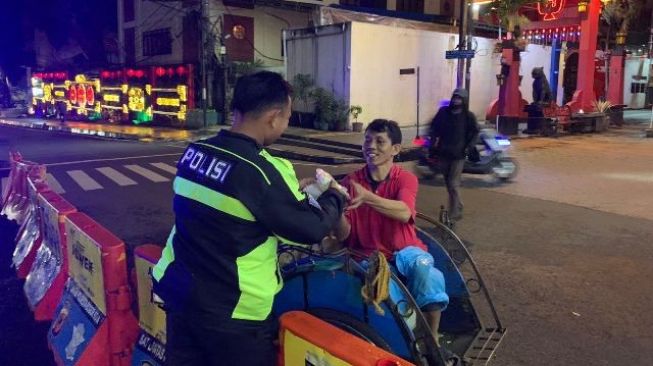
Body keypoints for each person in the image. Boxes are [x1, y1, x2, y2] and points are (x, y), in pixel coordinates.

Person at [151, 71, 348, 366]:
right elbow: (309, 228)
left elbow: (229, 209)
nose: (284, 125)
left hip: (181, 296)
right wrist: (334, 196)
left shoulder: (196, 151)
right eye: (286, 118)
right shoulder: (262, 170)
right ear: (273, 116)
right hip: (235, 313)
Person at [333, 119, 449, 346]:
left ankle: (432, 336)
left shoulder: (405, 179)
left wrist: (367, 198)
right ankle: (404, 344)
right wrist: (336, 210)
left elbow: (405, 212)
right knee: (387, 298)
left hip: (407, 251)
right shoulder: (350, 182)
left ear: (395, 149)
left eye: (379, 141)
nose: (371, 146)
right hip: (367, 255)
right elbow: (344, 235)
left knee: (428, 272)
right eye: (367, 140)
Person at [429, 89, 479, 221]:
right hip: (443, 153)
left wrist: (469, 147)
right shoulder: (443, 112)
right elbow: (434, 128)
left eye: (460, 98)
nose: (456, 100)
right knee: (448, 183)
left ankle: (454, 212)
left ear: (464, 101)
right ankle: (459, 204)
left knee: (453, 184)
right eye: (455, 98)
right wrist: (433, 144)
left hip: (459, 155)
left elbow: (475, 132)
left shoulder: (468, 116)